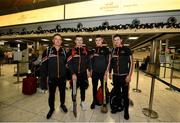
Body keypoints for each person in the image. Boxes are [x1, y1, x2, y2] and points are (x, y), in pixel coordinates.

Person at [41, 33, 68, 119]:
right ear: (53, 40)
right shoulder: (48, 51)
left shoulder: (64, 51)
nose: (58, 40)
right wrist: (43, 81)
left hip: (62, 77)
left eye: (59, 39)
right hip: (52, 78)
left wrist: (69, 76)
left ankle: (62, 104)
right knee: (51, 95)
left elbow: (67, 65)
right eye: (56, 39)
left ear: (61, 41)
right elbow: (43, 66)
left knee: (62, 93)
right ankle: (51, 108)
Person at [109, 34, 133, 120]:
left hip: (124, 76)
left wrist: (129, 75)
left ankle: (126, 111)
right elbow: (111, 63)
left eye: (117, 40)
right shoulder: (113, 51)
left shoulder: (127, 49)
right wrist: (109, 72)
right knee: (117, 93)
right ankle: (118, 106)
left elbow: (131, 63)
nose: (116, 41)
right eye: (114, 40)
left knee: (125, 95)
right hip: (115, 76)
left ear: (121, 40)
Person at [67, 35, 91, 111]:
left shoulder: (86, 51)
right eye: (78, 40)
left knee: (83, 89)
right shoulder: (72, 51)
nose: (79, 42)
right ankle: (74, 103)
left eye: (81, 40)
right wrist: (72, 73)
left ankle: (82, 102)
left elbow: (88, 62)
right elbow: (69, 63)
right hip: (74, 74)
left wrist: (89, 70)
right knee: (74, 89)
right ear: (75, 41)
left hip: (83, 74)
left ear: (82, 41)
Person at [90, 35, 109, 109]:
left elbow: (108, 62)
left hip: (103, 73)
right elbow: (91, 61)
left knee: (104, 87)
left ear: (102, 40)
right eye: (96, 40)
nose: (98, 42)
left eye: (99, 40)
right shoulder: (93, 50)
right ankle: (94, 101)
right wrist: (91, 70)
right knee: (94, 87)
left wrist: (106, 73)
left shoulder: (106, 50)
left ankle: (104, 103)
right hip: (95, 72)